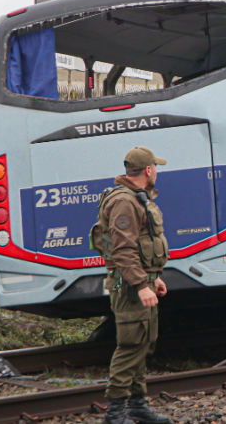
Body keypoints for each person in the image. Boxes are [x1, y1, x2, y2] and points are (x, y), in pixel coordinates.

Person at [92, 147, 171, 424]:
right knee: (129, 346)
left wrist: (153, 277)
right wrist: (140, 284)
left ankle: (137, 406)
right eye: (155, 167)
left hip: (140, 280)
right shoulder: (125, 202)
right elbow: (123, 251)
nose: (156, 172)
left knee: (143, 344)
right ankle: (114, 414)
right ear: (148, 170)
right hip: (128, 286)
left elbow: (140, 246)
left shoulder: (136, 198)